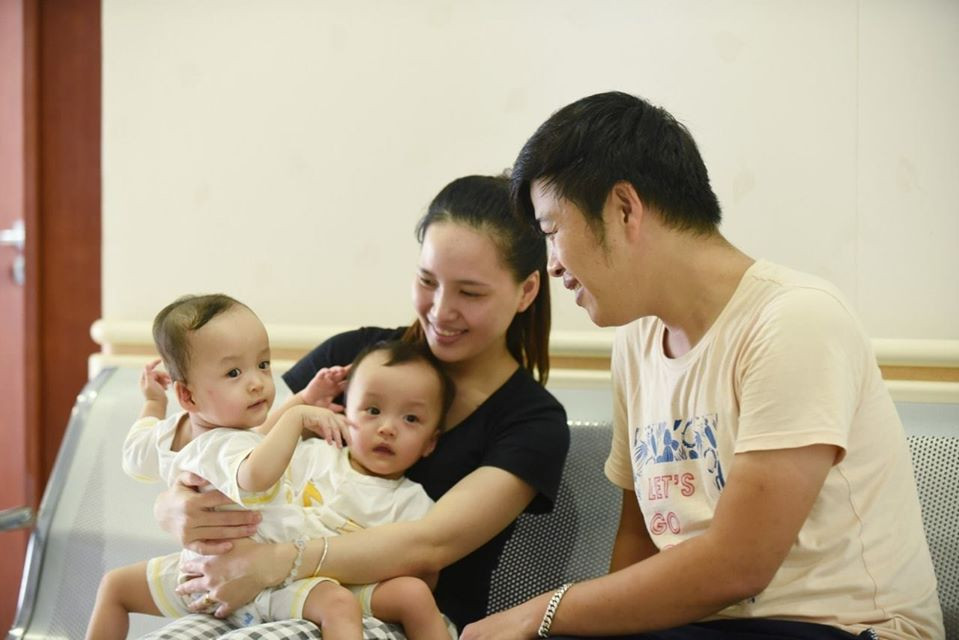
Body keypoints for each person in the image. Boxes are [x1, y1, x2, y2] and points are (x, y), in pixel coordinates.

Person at [459, 91, 944, 640]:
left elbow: (739, 566)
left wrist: (539, 614)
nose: (551, 265)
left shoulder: (795, 320)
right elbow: (640, 540)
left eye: (551, 232)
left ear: (624, 208)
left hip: (849, 629)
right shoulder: (636, 341)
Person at [142, 175, 571, 640]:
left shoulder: (531, 422)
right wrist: (175, 505)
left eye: (470, 293)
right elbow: (235, 444)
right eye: (427, 281)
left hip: (395, 617)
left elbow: (431, 544)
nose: (440, 310)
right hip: (263, 595)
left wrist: (276, 562)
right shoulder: (352, 360)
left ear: (527, 291)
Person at [87, 295, 458, 640]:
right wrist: (299, 412)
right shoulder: (310, 455)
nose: (256, 383)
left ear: (432, 441)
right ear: (346, 410)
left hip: (277, 574)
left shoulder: (410, 499)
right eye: (372, 410)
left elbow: (139, 451)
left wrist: (153, 403)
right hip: (223, 570)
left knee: (115, 585)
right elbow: (257, 459)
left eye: (263, 365)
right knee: (116, 586)